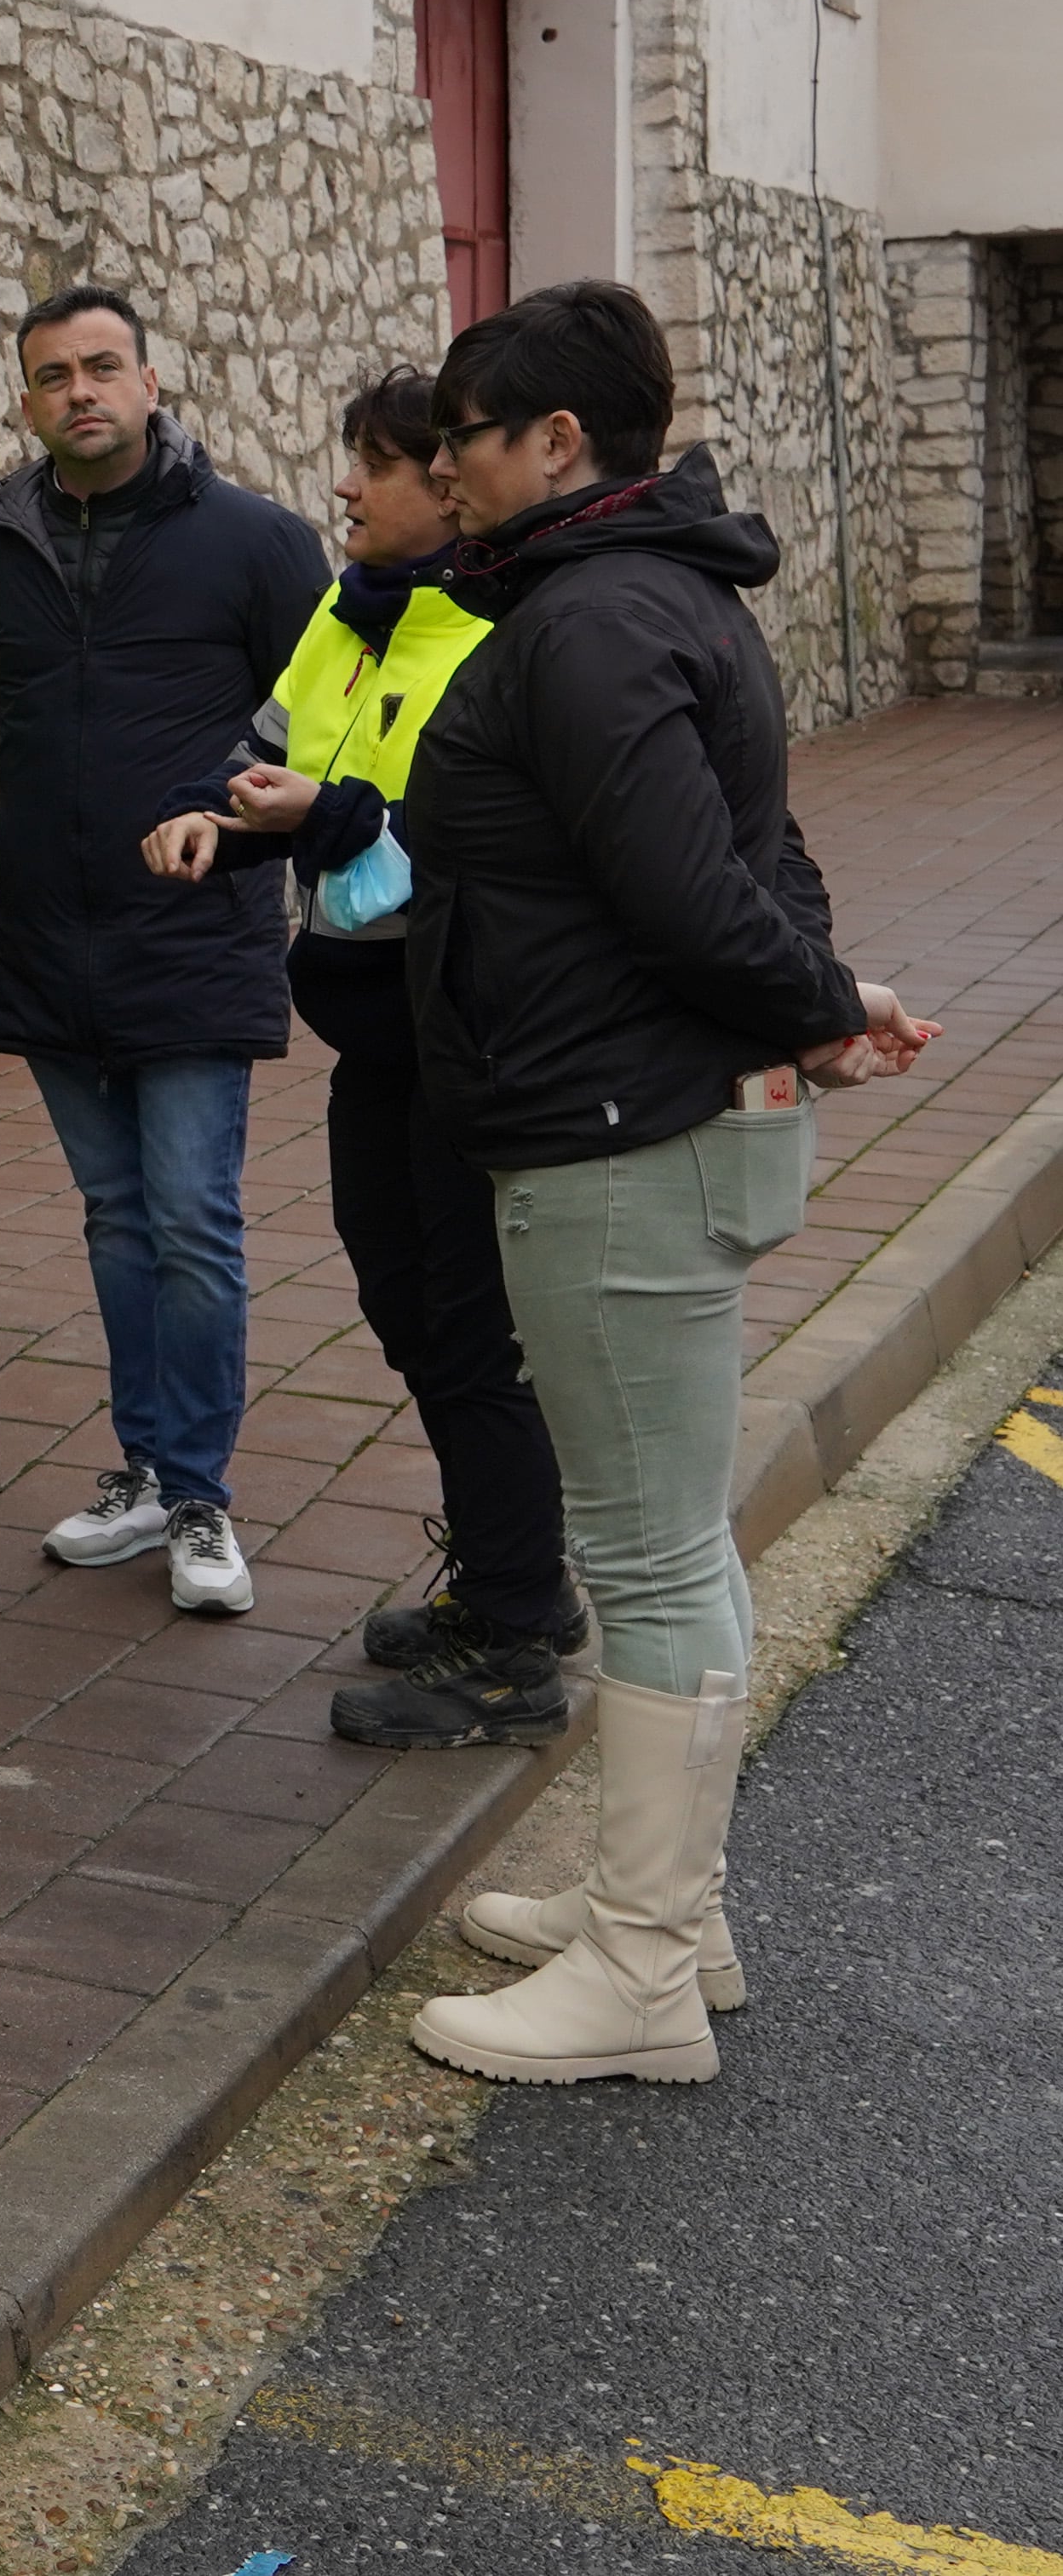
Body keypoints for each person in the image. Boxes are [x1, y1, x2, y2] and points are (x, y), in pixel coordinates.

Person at [398, 281, 931, 2088]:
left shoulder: (592, 618)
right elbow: (747, 848)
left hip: (611, 1138)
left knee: (638, 1542)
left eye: (459, 436)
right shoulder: (648, 593)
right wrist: (824, 997)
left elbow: (685, 888)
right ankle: (664, 1905)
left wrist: (806, 998)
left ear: (555, 444)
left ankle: (634, 1962)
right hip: (637, 1114)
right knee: (666, 1534)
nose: (436, 466)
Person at [141, 371, 579, 1748]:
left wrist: (325, 814)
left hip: (465, 1031)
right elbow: (274, 763)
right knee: (408, 1311)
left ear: (443, 483)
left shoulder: (502, 627)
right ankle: (522, 1584)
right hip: (371, 1036)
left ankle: (514, 1636)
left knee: (468, 1331)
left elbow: (475, 841)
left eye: (377, 465)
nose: (352, 488)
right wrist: (232, 820)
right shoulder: (345, 610)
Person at [0, 284, 326, 1616]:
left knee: (191, 1219)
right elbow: (6, 722)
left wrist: (221, 832)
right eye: (51, 376)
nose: (79, 392)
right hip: (52, 933)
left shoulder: (258, 543)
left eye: (100, 367)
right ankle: (141, 1468)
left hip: (190, 930)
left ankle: (198, 1496)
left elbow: (312, 738)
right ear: (23, 403)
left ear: (151, 381)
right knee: (115, 1219)